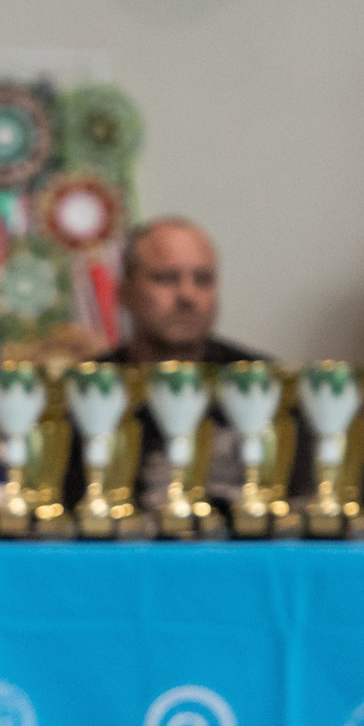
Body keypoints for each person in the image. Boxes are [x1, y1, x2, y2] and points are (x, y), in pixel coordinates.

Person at [59, 217, 270, 509]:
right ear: (124, 293)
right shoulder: (82, 391)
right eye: (166, 278)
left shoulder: (262, 385)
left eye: (203, 280)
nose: (187, 296)